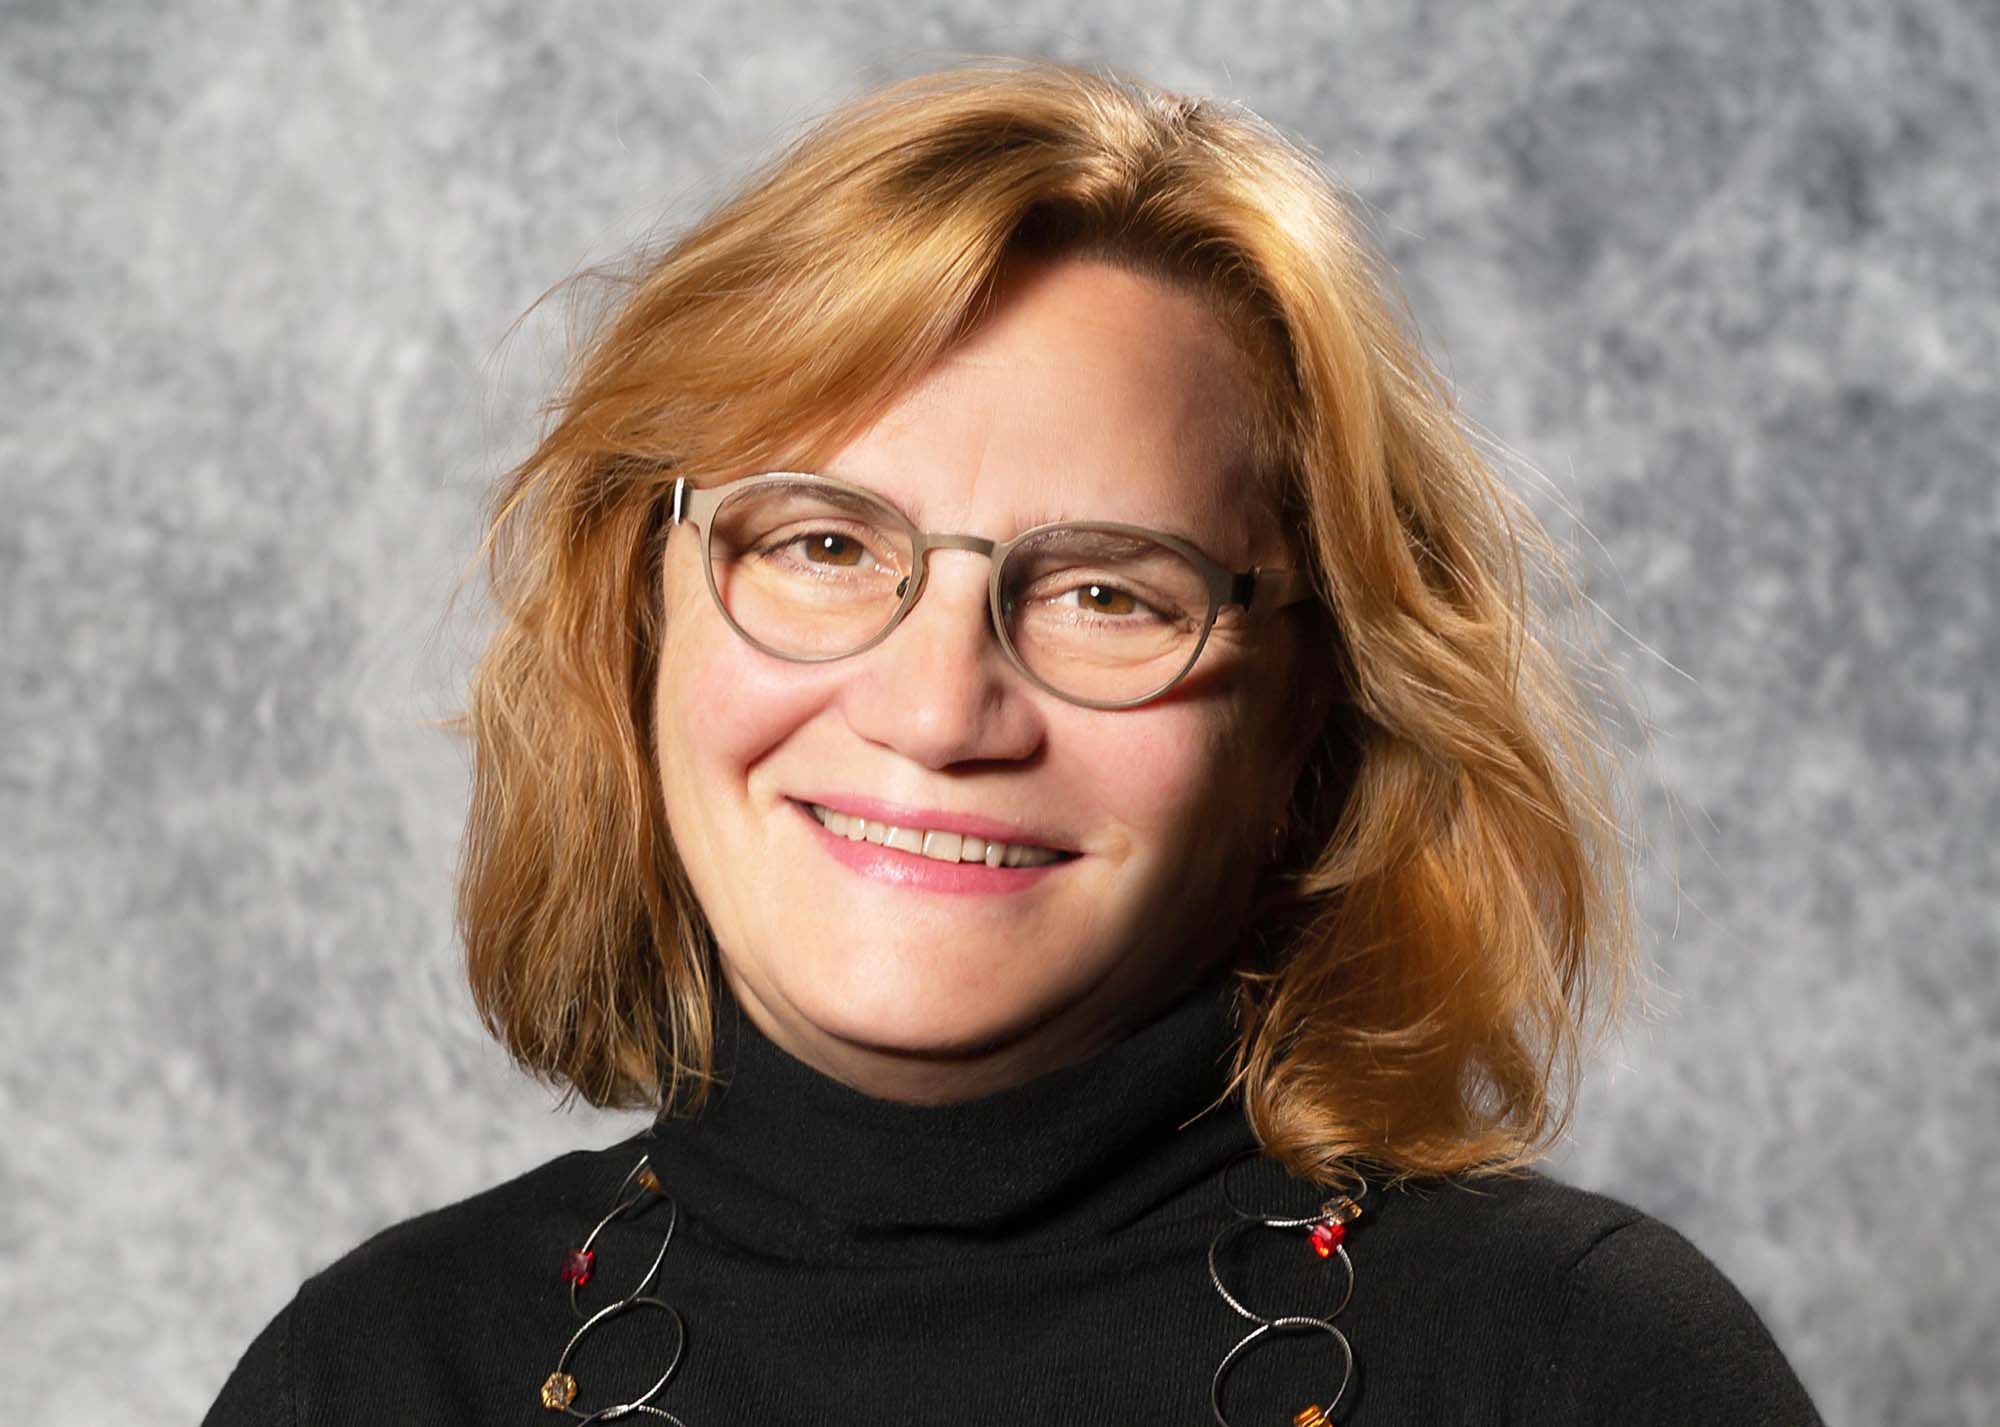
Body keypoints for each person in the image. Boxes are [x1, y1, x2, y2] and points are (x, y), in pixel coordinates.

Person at [205, 60, 1822, 1425]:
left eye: (1110, 593)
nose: (935, 712)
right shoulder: (373, 1378)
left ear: (1311, 717)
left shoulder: (1580, 1371)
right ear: (638, 617)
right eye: (824, 545)